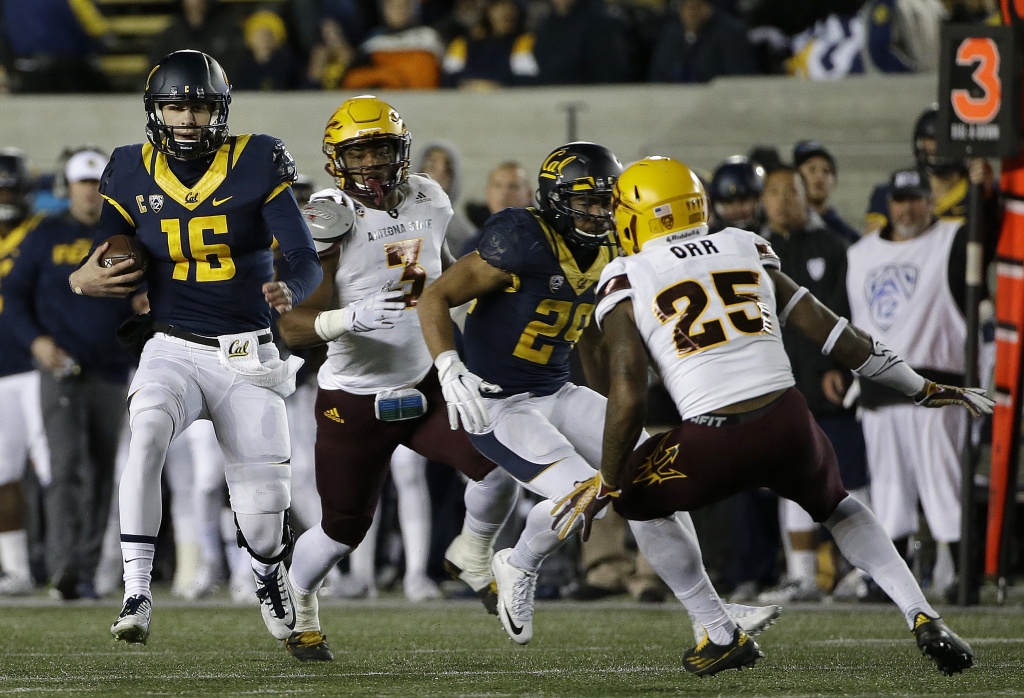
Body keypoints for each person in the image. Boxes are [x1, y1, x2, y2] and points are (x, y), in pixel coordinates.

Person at [588, 155, 985, 676]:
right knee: (839, 506)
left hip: (711, 439)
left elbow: (628, 391)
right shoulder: (741, 242)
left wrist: (608, 478)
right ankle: (922, 613)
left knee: (638, 503)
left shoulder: (626, 273)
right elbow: (833, 331)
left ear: (635, 216)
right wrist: (919, 385)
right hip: (789, 422)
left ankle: (719, 632)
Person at [418, 142, 780, 649]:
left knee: (657, 478)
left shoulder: (612, 247)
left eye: (604, 201)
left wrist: (608, 404)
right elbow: (437, 295)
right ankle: (518, 562)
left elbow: (586, 329)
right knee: (594, 492)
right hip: (497, 400)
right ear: (554, 198)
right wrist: (448, 364)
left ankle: (709, 614)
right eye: (584, 201)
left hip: (555, 389)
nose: (596, 212)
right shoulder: (521, 238)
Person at [66, 49, 322, 644]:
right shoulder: (129, 167)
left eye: (200, 108)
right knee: (147, 435)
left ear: (220, 111)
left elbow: (304, 255)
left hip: (246, 350)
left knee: (263, 512)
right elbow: (112, 253)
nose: (186, 120)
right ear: (154, 112)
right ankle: (136, 593)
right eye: (175, 107)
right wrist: (83, 278)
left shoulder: (258, 157)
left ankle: (266, 573)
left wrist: (294, 287)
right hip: (172, 345)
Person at [274, 95, 519, 662]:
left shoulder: (430, 196)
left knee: (501, 462)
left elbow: (446, 267)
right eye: (359, 152)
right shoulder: (326, 218)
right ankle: (300, 596)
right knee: (342, 528)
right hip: (355, 396)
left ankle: (473, 552)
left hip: (426, 380)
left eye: (383, 149)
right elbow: (291, 326)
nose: (373, 164)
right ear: (338, 158)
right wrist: (347, 318)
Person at [847, 167, 998, 601]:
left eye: (916, 198)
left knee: (944, 484)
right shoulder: (858, 255)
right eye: (900, 199)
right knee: (889, 491)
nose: (908, 207)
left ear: (930, 201)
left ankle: (963, 577)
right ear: (887, 206)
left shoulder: (953, 241)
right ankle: (889, 583)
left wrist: (982, 185)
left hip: (939, 385)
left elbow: (988, 227)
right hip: (878, 390)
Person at [3, 147, 140, 601]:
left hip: (113, 367)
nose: (89, 191)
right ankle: (64, 567)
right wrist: (37, 343)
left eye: (96, 182)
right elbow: (13, 295)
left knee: (102, 471)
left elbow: (148, 294)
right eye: (82, 182)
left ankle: (84, 568)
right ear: (69, 187)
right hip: (61, 368)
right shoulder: (45, 234)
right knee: (65, 468)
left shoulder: (125, 235)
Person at [754, 164, 867, 604]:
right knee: (790, 480)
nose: (783, 199)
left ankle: (861, 573)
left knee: (849, 479)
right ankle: (802, 577)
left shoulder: (834, 247)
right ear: (764, 200)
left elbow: (846, 312)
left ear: (808, 197)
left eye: (791, 190)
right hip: (779, 388)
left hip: (828, 389)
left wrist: (840, 365)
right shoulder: (748, 252)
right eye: (774, 191)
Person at [0, 148, 49, 597]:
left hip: (37, 367)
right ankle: (16, 568)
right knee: (2, 473)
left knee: (59, 469)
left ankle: (84, 562)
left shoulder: (41, 235)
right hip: (1, 371)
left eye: (10, 187)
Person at [648, 0, 757, 83]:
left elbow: (740, 78)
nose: (692, 13)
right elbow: (658, 76)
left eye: (697, 7)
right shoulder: (670, 34)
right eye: (687, 7)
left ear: (709, 8)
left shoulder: (730, 33)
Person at [792, 140, 859, 243]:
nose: (819, 177)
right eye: (812, 169)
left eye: (826, 171)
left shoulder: (846, 236)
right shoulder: (784, 226)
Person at [464, 160, 532, 234]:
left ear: (529, 194)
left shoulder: (543, 239)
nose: (504, 193)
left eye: (513, 186)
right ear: (488, 193)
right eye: (497, 186)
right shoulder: (474, 243)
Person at [708, 155, 764, 233]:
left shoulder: (775, 236)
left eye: (744, 199)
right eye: (728, 201)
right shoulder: (708, 240)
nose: (737, 209)